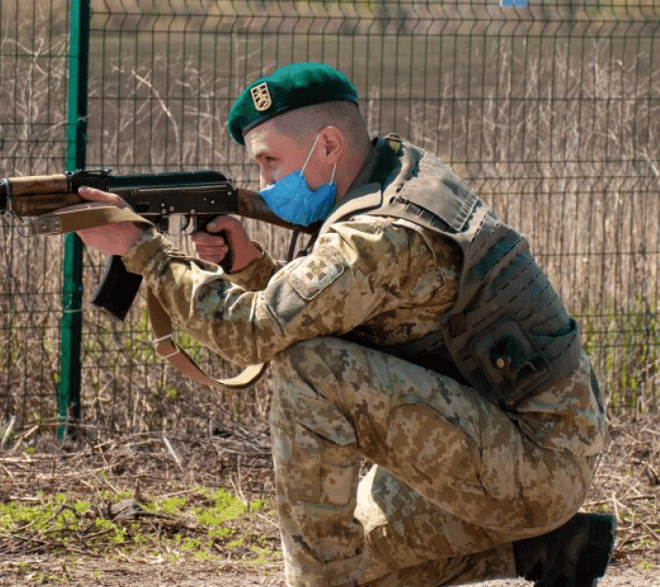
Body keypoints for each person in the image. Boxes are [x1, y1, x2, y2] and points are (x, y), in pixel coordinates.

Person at [67, 62, 612, 587]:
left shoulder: (377, 236)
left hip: (537, 462)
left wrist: (146, 252)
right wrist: (250, 267)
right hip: (524, 436)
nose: (264, 181)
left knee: (308, 371)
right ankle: (544, 548)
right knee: (356, 561)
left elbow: (255, 332)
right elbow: (336, 307)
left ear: (329, 144)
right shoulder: (395, 173)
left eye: (271, 162)